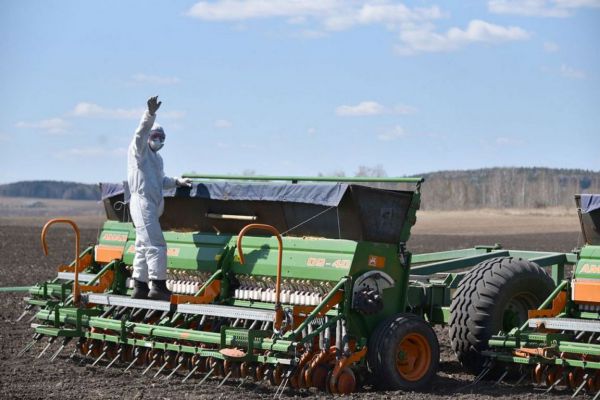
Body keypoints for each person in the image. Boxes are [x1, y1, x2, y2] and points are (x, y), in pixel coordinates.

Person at [127, 96, 192, 300]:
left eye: (162, 137)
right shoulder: (139, 152)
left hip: (152, 205)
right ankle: (158, 286)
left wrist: (176, 182)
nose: (159, 141)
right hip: (142, 203)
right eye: (155, 136)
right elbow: (140, 133)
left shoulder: (156, 158)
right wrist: (150, 115)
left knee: (142, 246)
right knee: (156, 244)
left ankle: (140, 285)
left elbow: (160, 181)